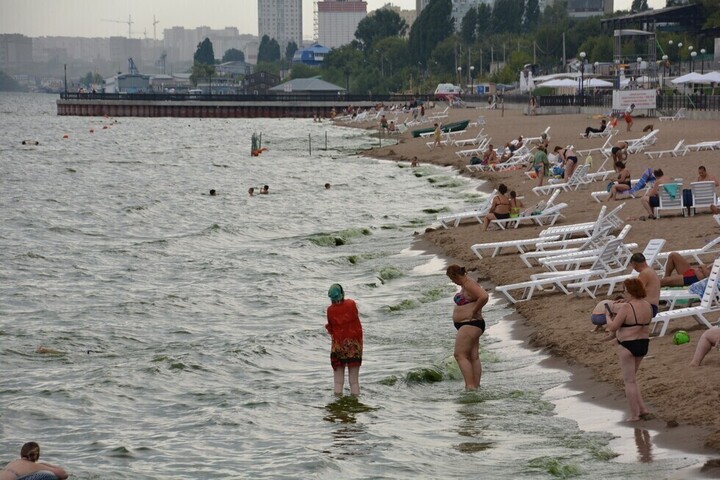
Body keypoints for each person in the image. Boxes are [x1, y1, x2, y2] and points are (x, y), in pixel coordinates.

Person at [604, 278, 653, 422]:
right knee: (633, 379)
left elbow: (612, 327)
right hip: (643, 343)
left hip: (628, 345)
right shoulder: (648, 305)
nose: (623, 293)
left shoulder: (627, 307)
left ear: (629, 291)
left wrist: (607, 317)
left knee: (629, 381)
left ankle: (634, 415)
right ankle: (643, 409)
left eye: (624, 290)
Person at [446, 264, 489, 390]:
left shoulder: (469, 283)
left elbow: (484, 296)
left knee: (459, 355)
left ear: (455, 275)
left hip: (470, 324)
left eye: (452, 279)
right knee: (473, 356)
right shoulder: (466, 284)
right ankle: (475, 386)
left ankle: (469, 386)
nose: (452, 281)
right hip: (470, 324)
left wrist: (474, 311)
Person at [325, 284, 363, 396]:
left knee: (338, 382)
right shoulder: (351, 304)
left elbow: (330, 328)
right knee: (354, 382)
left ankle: (337, 407)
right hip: (354, 347)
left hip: (338, 348)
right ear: (342, 293)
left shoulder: (330, 310)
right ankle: (355, 405)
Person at [0, 442, 68, 480]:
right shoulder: (34, 466)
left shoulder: (12, 463)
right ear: (37, 455)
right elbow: (64, 474)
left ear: (21, 453)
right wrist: (43, 464)